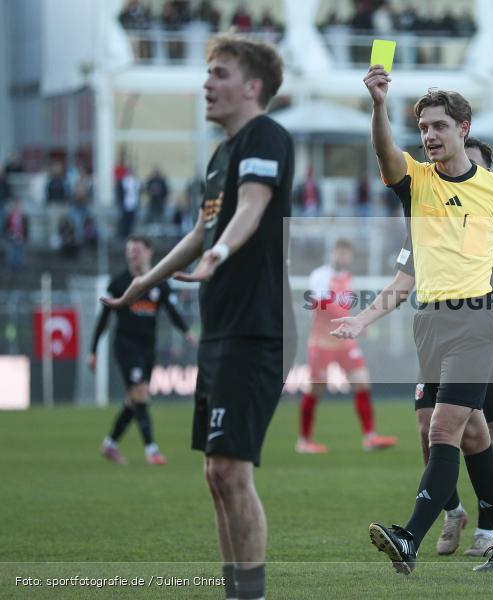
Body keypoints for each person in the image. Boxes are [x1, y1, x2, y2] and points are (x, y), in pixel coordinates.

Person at [102, 36, 293, 600]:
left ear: (252, 86)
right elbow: (198, 232)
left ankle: (250, 595)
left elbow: (253, 208)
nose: (206, 84)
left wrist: (220, 253)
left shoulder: (265, 135)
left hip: (256, 327)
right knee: (215, 474)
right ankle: (235, 590)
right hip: (222, 327)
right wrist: (146, 280)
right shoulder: (220, 154)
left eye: (219, 73)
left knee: (233, 471)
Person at [361, 65, 493, 574]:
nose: (429, 136)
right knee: (471, 438)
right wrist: (380, 105)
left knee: (444, 432)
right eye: (424, 127)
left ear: (463, 129)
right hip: (428, 324)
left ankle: (408, 537)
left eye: (439, 127)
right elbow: (385, 155)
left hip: (478, 324)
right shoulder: (418, 183)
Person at [91, 235, 195, 466]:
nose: (132, 254)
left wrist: (187, 332)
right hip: (125, 346)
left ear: (149, 252)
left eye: (136, 250)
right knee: (141, 394)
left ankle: (110, 444)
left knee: (133, 400)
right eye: (129, 250)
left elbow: (173, 310)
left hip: (147, 349)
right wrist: (93, 350)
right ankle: (152, 450)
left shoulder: (159, 283)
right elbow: (103, 319)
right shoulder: (118, 283)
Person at [297, 238, 397, 453]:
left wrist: (359, 322)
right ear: (332, 253)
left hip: (344, 342)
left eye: (346, 254)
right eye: (339, 252)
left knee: (362, 382)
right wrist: (355, 319)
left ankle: (370, 437)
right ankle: (304, 441)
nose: (342, 257)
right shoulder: (320, 275)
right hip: (322, 341)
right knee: (316, 389)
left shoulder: (347, 278)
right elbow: (320, 304)